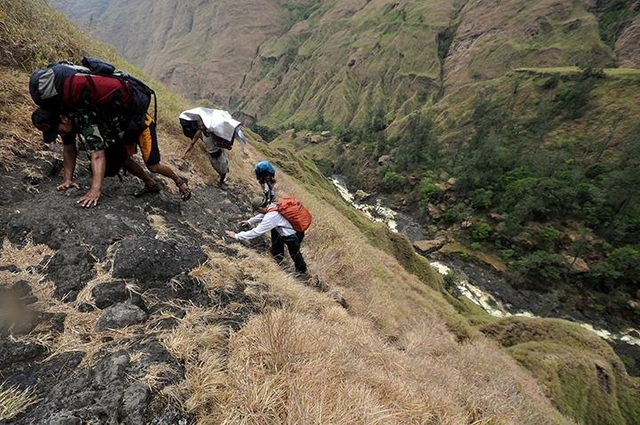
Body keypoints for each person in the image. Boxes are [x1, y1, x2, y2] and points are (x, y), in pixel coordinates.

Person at [32, 108, 191, 207]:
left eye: (59, 130)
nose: (60, 133)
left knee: (153, 166)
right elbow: (69, 149)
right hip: (118, 129)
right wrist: (67, 179)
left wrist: (95, 190)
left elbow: (98, 156)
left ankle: (180, 182)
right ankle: (151, 184)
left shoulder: (85, 120)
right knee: (122, 159)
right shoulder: (66, 122)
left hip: (140, 123)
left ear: (64, 118)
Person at [225, 196, 307, 276]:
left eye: (257, 210)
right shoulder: (273, 205)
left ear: (260, 208)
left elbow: (257, 232)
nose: (258, 212)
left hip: (293, 235)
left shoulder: (271, 217)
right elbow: (263, 215)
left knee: (294, 253)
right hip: (291, 231)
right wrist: (250, 221)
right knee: (275, 233)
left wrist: (237, 236)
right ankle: (278, 257)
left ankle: (301, 271)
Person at [182, 121, 230, 189]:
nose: (201, 127)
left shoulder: (212, 132)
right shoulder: (199, 133)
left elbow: (221, 139)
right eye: (200, 125)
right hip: (211, 154)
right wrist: (184, 153)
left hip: (219, 151)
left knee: (224, 170)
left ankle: (221, 183)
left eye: (202, 125)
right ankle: (221, 179)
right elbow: (192, 143)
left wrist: (225, 145)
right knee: (217, 169)